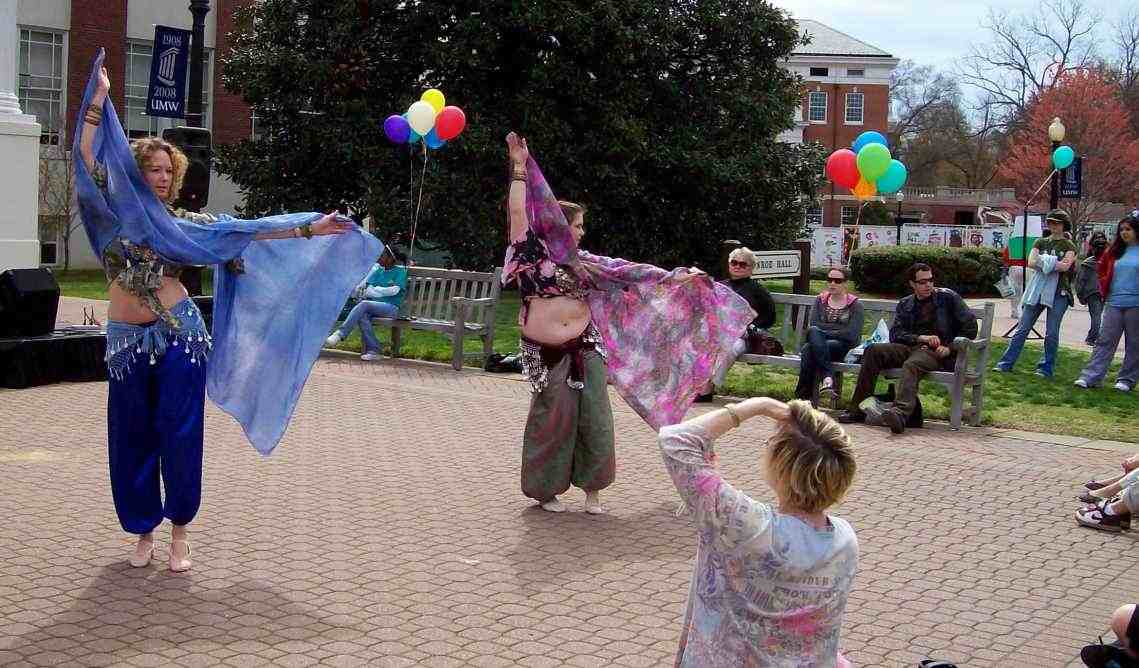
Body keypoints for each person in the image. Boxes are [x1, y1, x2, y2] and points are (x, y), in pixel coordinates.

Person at [76, 53, 378, 571]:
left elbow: (249, 230)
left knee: (179, 431)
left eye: (170, 171)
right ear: (132, 173)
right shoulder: (111, 217)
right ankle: (142, 530)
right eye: (152, 168)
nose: (162, 177)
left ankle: (179, 532)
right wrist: (98, 102)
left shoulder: (185, 226)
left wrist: (310, 227)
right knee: (131, 435)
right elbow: (85, 159)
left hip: (180, 336)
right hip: (127, 341)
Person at [503, 132, 753, 514]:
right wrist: (519, 167)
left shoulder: (583, 262)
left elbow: (629, 272)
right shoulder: (528, 254)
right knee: (552, 418)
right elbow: (518, 212)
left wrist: (676, 277)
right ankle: (545, 490)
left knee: (595, 416)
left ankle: (593, 491)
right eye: (578, 225)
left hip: (587, 345)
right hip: (544, 351)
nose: (582, 232)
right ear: (559, 224)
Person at [659, 397, 857, 666]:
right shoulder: (845, 540)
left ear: (782, 466)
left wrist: (758, 406)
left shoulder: (746, 524)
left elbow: (677, 440)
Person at [837, 263, 978, 434]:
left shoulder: (948, 298)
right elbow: (896, 333)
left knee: (912, 364)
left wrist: (949, 348)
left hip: (935, 351)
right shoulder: (906, 304)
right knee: (873, 350)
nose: (928, 285)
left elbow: (970, 328)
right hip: (909, 347)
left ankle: (899, 414)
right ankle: (857, 410)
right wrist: (920, 337)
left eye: (931, 280)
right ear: (912, 284)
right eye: (922, 282)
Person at [994, 209, 1078, 378]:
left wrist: (1045, 261)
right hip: (1037, 290)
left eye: (1057, 222)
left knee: (1052, 332)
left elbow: (1065, 266)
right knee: (1022, 328)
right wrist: (1053, 262)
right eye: (1051, 222)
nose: (1054, 226)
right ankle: (1005, 363)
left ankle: (1045, 368)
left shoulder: (1069, 245)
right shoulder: (1040, 242)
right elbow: (1031, 262)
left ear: (1064, 225)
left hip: (1059, 292)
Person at [698, 246, 776, 400]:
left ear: (751, 268)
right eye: (734, 263)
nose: (738, 266)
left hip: (742, 337)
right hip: (717, 334)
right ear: (729, 264)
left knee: (730, 348)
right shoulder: (720, 287)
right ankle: (691, 387)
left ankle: (707, 388)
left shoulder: (758, 291)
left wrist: (749, 326)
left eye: (743, 264)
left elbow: (770, 318)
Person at [1075, 214, 1139, 392]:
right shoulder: (1114, 252)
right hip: (1114, 302)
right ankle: (1091, 377)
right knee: (1104, 340)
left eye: (1128, 229)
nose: (1124, 233)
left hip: (1136, 304)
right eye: (1122, 230)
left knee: (1134, 343)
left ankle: (1126, 379)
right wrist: (1105, 289)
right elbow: (1102, 271)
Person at [794, 266, 864, 404]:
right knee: (812, 340)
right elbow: (813, 325)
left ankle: (802, 398)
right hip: (821, 344)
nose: (832, 283)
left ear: (845, 283)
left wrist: (823, 332)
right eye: (830, 280)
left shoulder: (855, 305)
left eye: (837, 281)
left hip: (843, 347)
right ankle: (827, 378)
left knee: (810, 347)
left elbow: (851, 334)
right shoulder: (820, 300)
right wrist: (836, 329)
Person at [325, 247, 409, 361]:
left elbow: (394, 291)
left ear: (390, 259)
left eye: (382, 256)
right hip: (373, 306)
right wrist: (382, 290)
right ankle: (375, 350)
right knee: (363, 316)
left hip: (391, 308)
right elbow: (369, 291)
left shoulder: (400, 272)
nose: (378, 258)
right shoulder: (378, 271)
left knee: (364, 304)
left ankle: (341, 333)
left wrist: (377, 289)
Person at [1075, 231, 1109, 346]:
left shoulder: (1087, 263)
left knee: (1096, 315)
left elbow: (1080, 281)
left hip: (1094, 292)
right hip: (1098, 292)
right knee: (1097, 316)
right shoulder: (1108, 262)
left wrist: (1080, 295)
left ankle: (1092, 337)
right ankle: (1093, 337)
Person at [1001, 244, 1027, 320]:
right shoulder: (1030, 243)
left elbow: (1006, 260)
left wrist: (1004, 272)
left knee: (1014, 292)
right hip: (1028, 268)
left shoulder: (1012, 244)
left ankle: (1015, 312)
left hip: (1014, 268)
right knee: (1025, 292)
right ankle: (1023, 312)